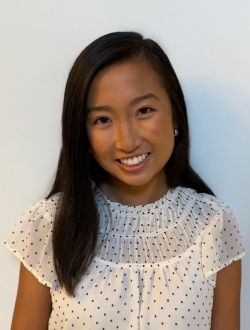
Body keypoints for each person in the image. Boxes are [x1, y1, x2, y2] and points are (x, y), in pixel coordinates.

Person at [5, 31, 245, 330]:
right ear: (83, 134)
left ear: (175, 117)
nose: (127, 141)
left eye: (144, 110)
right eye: (103, 119)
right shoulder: (51, 224)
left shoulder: (214, 224)